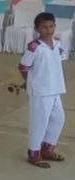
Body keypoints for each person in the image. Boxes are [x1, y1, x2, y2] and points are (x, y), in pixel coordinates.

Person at [19, 12, 67, 168]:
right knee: (39, 123)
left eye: (51, 26)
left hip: (55, 88)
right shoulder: (35, 47)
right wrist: (29, 82)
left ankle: (47, 148)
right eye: (44, 27)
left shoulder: (58, 43)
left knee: (58, 119)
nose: (48, 30)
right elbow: (23, 66)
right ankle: (34, 153)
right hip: (40, 90)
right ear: (37, 29)